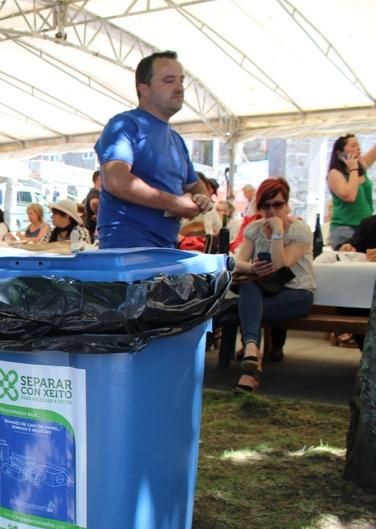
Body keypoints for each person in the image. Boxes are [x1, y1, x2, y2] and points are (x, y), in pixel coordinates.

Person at [94, 51, 212, 248]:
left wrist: (202, 198)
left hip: (166, 247)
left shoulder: (176, 140)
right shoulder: (126, 125)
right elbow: (116, 181)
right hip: (129, 249)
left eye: (181, 80)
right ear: (144, 89)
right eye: (169, 80)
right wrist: (174, 203)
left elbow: (195, 184)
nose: (179, 88)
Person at [231, 178, 314, 393]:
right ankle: (251, 353)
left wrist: (278, 232)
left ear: (287, 204)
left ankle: (251, 360)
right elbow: (239, 263)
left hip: (297, 293)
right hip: (263, 292)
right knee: (248, 288)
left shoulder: (300, 230)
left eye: (277, 204)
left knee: (243, 309)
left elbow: (281, 264)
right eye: (265, 205)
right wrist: (252, 269)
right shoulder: (254, 228)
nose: (271, 210)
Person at [326, 134, 376, 250]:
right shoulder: (335, 174)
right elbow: (349, 196)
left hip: (364, 229)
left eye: (358, 145)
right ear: (339, 153)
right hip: (345, 229)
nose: (358, 148)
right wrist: (353, 169)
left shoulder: (361, 165)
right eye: (353, 146)